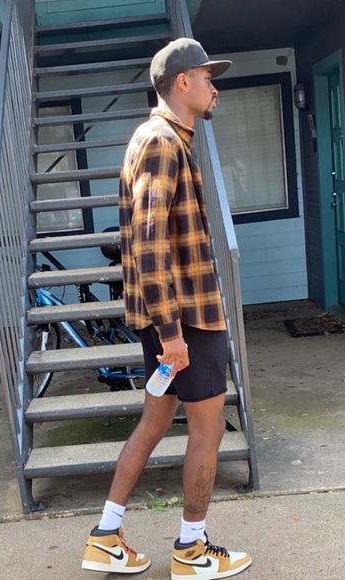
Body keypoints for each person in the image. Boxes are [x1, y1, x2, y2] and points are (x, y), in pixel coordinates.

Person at [81, 37, 252, 579]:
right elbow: (150, 244)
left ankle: (105, 535)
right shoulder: (161, 142)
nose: (213, 87)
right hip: (186, 319)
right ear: (182, 81)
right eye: (207, 77)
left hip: (172, 318)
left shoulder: (163, 139)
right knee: (209, 429)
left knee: (155, 422)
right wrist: (172, 333)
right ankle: (191, 549)